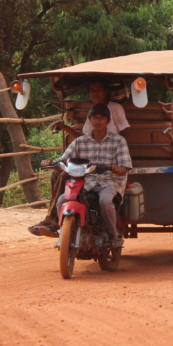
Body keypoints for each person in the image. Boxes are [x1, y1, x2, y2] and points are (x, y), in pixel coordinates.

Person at [29, 103, 132, 245]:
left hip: (109, 182)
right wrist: (51, 163)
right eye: (94, 118)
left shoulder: (118, 141)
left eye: (101, 118)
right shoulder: (79, 142)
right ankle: (62, 232)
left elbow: (125, 167)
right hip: (86, 181)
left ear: (108, 121)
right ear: (89, 120)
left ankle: (114, 236)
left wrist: (114, 167)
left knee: (105, 201)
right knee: (61, 201)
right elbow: (63, 159)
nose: (97, 121)